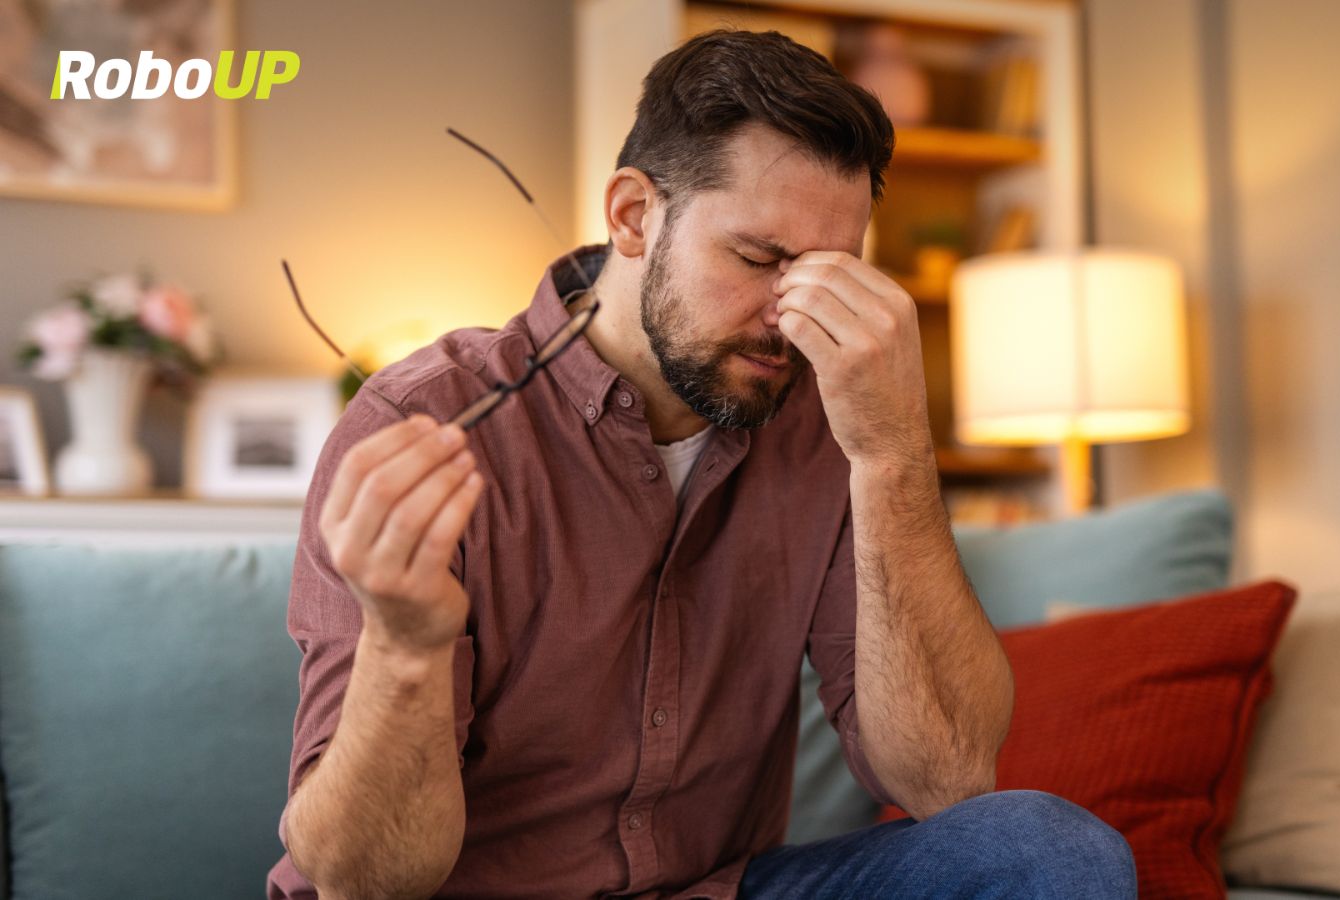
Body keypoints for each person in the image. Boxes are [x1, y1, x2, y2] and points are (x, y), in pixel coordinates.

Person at [266, 28, 1135, 900]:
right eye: (760, 260)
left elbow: (946, 782)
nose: (790, 316)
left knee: (1046, 852)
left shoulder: (832, 419)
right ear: (634, 216)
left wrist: (894, 453)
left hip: (715, 889)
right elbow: (362, 880)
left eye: (831, 275)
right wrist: (408, 647)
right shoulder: (426, 420)